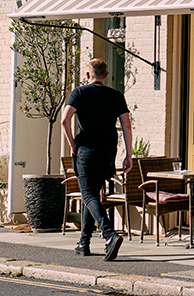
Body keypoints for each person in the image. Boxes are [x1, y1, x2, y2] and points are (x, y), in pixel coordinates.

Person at [60, 58, 132, 261]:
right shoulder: (116, 95)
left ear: (88, 75)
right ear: (105, 76)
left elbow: (65, 120)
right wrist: (129, 154)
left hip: (87, 150)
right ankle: (84, 242)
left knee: (88, 196)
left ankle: (109, 234)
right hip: (108, 151)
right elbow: (126, 125)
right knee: (92, 196)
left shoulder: (80, 92)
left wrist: (72, 144)